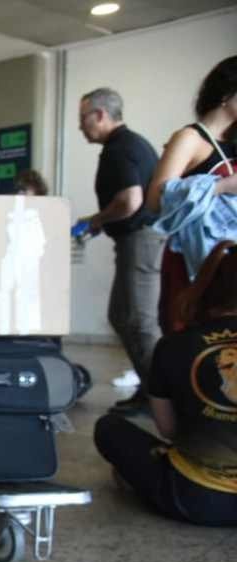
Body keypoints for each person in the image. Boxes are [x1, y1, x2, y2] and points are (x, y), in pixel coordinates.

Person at [94, 241, 237, 527]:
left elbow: (169, 430)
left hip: (195, 499)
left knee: (109, 428)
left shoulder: (173, 346)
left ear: (206, 287)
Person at [79, 87, 165, 416]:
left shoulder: (120, 148)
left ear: (100, 115)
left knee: (141, 322)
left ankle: (164, 397)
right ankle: (150, 389)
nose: (80, 126)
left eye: (83, 118)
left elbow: (130, 201)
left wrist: (97, 219)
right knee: (121, 316)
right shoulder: (131, 144)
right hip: (135, 240)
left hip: (141, 239)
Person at [146, 56, 237, 335]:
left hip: (231, 262)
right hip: (196, 261)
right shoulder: (190, 138)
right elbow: (155, 200)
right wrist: (221, 186)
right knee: (195, 336)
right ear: (226, 94)